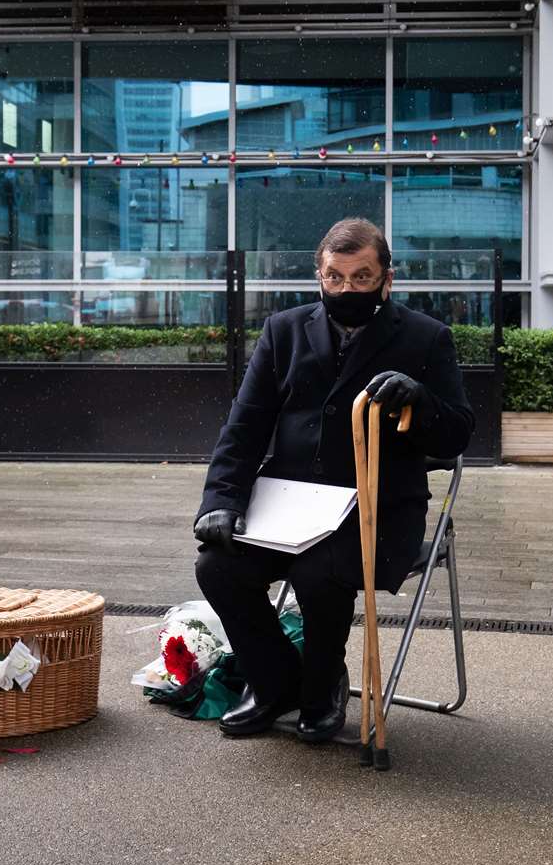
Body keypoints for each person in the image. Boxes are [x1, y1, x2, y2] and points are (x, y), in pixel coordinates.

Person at [193, 218, 474, 742]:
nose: (347, 289)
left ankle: (323, 685)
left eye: (362, 278)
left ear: (388, 279)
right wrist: (221, 499)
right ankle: (276, 681)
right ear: (318, 276)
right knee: (217, 564)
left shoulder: (426, 338)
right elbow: (245, 425)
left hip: (380, 507)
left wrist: (421, 400)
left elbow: (456, 436)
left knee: (322, 568)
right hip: (288, 504)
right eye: (335, 278)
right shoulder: (283, 330)